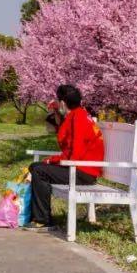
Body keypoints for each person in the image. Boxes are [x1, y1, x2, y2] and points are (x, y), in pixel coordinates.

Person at [24, 84, 105, 231]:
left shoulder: (78, 118)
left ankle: (43, 220)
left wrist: (51, 160)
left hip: (82, 173)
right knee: (37, 167)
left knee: (38, 170)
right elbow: (69, 146)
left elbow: (75, 154)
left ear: (62, 102)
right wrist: (56, 113)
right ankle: (40, 217)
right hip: (81, 168)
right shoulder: (78, 114)